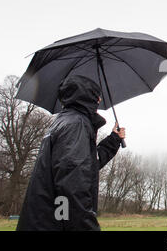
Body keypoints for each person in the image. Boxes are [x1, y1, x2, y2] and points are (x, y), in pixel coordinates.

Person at [16, 75, 125, 231]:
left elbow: (87, 165)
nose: (100, 99)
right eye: (96, 95)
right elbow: (72, 186)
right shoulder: (76, 126)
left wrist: (114, 139)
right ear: (89, 97)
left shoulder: (66, 122)